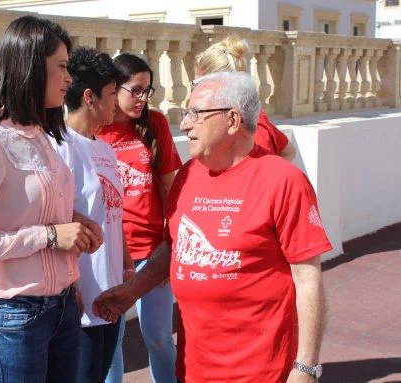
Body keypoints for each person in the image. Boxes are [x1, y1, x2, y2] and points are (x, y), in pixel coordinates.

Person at [94, 71, 332, 383]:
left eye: (196, 113)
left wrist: (306, 368)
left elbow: (308, 279)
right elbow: (176, 245)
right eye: (186, 113)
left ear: (233, 120)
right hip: (194, 369)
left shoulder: (283, 181)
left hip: (261, 372)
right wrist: (132, 291)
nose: (186, 124)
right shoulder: (188, 175)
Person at [0, 16, 103, 383]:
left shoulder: (42, 136)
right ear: (31, 66)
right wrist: (49, 235)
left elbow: (37, 209)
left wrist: (76, 222)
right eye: (62, 67)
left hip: (63, 308)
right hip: (13, 320)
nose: (69, 78)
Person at [48, 46, 135, 383]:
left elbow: (115, 216)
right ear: (89, 97)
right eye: (113, 94)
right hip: (80, 303)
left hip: (110, 297)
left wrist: (127, 270)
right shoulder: (59, 147)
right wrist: (72, 290)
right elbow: (53, 221)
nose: (117, 102)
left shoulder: (105, 148)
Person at [96, 53, 182, 383]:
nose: (143, 99)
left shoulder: (153, 124)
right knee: (111, 341)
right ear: (113, 88)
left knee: (159, 337)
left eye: (149, 90)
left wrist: (167, 249)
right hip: (111, 254)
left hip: (151, 252)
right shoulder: (95, 130)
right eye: (136, 90)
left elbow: (170, 189)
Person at [195, 36, 296, 161]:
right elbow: (288, 150)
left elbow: (284, 154)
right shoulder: (253, 116)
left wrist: (278, 178)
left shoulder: (252, 129)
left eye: (198, 83)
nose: (195, 90)